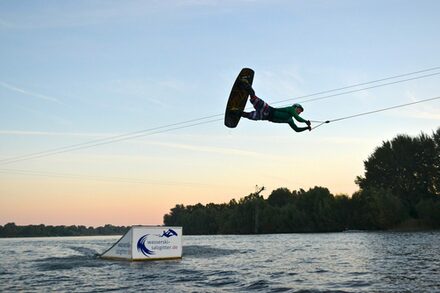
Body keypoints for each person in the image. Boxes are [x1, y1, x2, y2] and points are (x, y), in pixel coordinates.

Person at [239, 79, 311, 132]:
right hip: (268, 109)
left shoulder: (290, 120)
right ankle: (245, 84)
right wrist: (306, 121)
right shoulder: (291, 109)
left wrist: (306, 128)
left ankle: (236, 112)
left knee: (248, 115)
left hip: (265, 117)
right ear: (295, 107)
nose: (299, 112)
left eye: (300, 111)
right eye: (299, 109)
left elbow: (296, 129)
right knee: (254, 97)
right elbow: (298, 118)